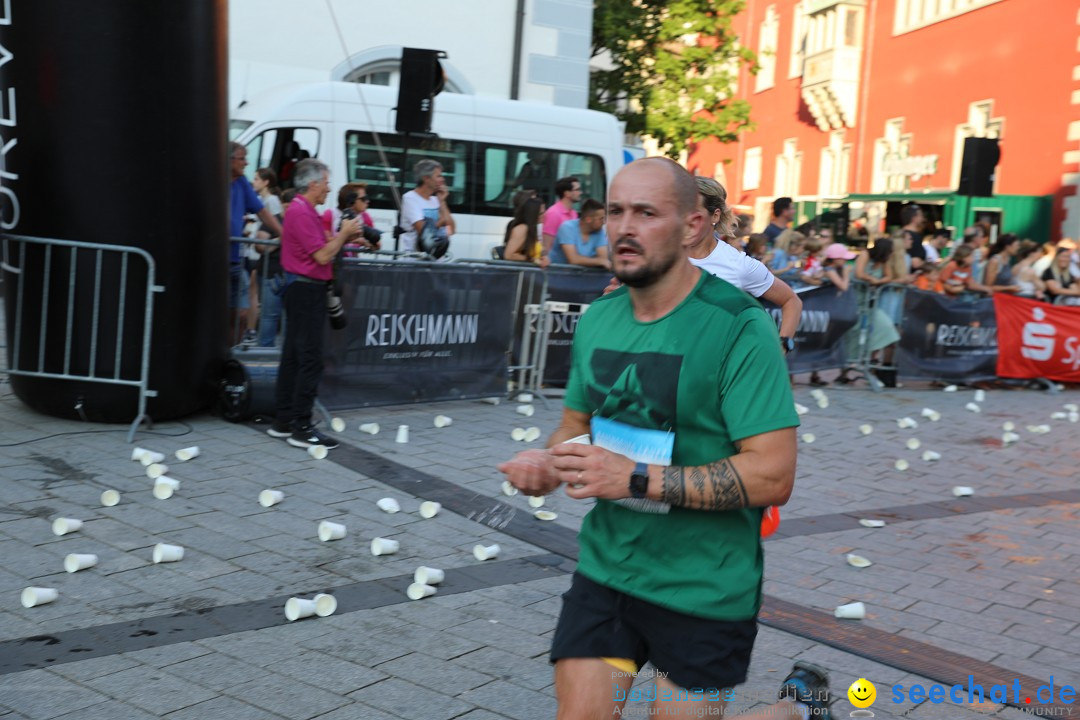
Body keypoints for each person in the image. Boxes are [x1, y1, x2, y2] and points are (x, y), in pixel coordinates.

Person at [498, 156, 830, 720]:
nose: (625, 227)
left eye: (647, 213)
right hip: (609, 567)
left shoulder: (739, 326)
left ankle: (797, 710)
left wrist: (631, 478)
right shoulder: (601, 316)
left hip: (705, 582)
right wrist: (550, 463)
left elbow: (773, 475)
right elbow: (577, 426)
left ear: (692, 226)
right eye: (618, 212)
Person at [267, 159, 360, 450]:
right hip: (305, 290)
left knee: (294, 355)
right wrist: (343, 235)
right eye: (326, 183)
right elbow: (321, 257)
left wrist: (342, 237)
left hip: (303, 289)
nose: (329, 188)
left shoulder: (304, 211)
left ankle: (284, 420)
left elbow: (321, 250)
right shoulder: (301, 211)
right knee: (309, 357)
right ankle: (301, 425)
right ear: (313, 184)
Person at [691, 177, 803, 343]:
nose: (684, 219)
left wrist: (783, 346)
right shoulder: (662, 254)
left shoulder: (737, 264)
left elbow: (791, 301)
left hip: (715, 365)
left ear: (715, 216)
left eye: (694, 213)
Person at [229, 142, 282, 345]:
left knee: (242, 313)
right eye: (242, 158)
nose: (246, 162)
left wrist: (282, 233)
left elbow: (262, 211)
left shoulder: (241, 182)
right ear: (230, 159)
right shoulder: (219, 180)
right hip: (222, 260)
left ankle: (231, 352)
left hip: (237, 260)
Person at [399, 159, 455, 254]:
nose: (443, 179)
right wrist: (441, 222)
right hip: (416, 261)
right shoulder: (410, 198)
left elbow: (451, 229)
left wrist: (442, 202)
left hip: (437, 259)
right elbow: (423, 230)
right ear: (426, 178)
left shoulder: (436, 200)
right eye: (438, 176)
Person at [549, 198, 609, 268]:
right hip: (556, 275)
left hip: (581, 277)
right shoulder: (567, 228)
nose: (604, 222)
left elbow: (603, 258)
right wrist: (599, 261)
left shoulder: (599, 231)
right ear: (588, 219)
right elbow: (573, 259)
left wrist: (601, 261)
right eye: (601, 219)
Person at [541, 176, 582, 254]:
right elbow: (547, 245)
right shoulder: (553, 213)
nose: (580, 193)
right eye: (577, 190)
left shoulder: (574, 213)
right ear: (567, 193)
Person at [503, 195, 548, 266]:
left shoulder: (532, 227)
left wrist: (543, 255)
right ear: (533, 214)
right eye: (541, 213)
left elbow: (537, 247)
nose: (545, 215)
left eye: (545, 211)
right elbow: (508, 255)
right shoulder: (522, 228)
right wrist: (532, 259)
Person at [899, 204, 926, 270]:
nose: (922, 218)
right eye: (921, 216)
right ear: (914, 218)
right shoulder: (913, 237)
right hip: (911, 277)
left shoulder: (900, 233)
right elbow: (915, 263)